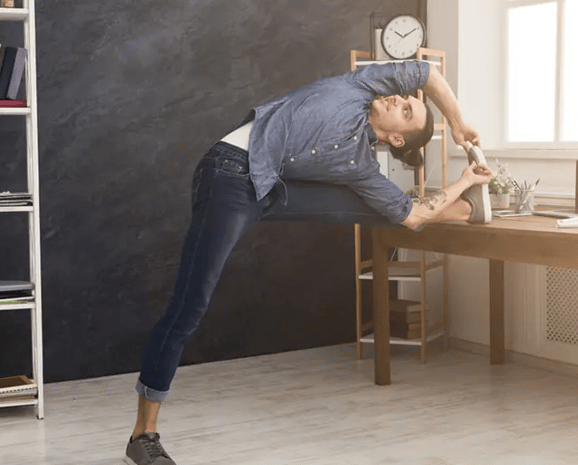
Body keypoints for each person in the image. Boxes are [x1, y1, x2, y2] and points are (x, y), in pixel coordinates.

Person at [124, 60, 493, 465]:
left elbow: (413, 217)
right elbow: (425, 73)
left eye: (406, 111)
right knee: (190, 305)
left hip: (268, 190)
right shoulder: (360, 86)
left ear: (396, 140)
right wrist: (458, 123)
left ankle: (465, 211)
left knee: (388, 207)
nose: (398, 99)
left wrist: (464, 184)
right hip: (230, 172)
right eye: (406, 100)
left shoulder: (360, 166)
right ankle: (144, 436)